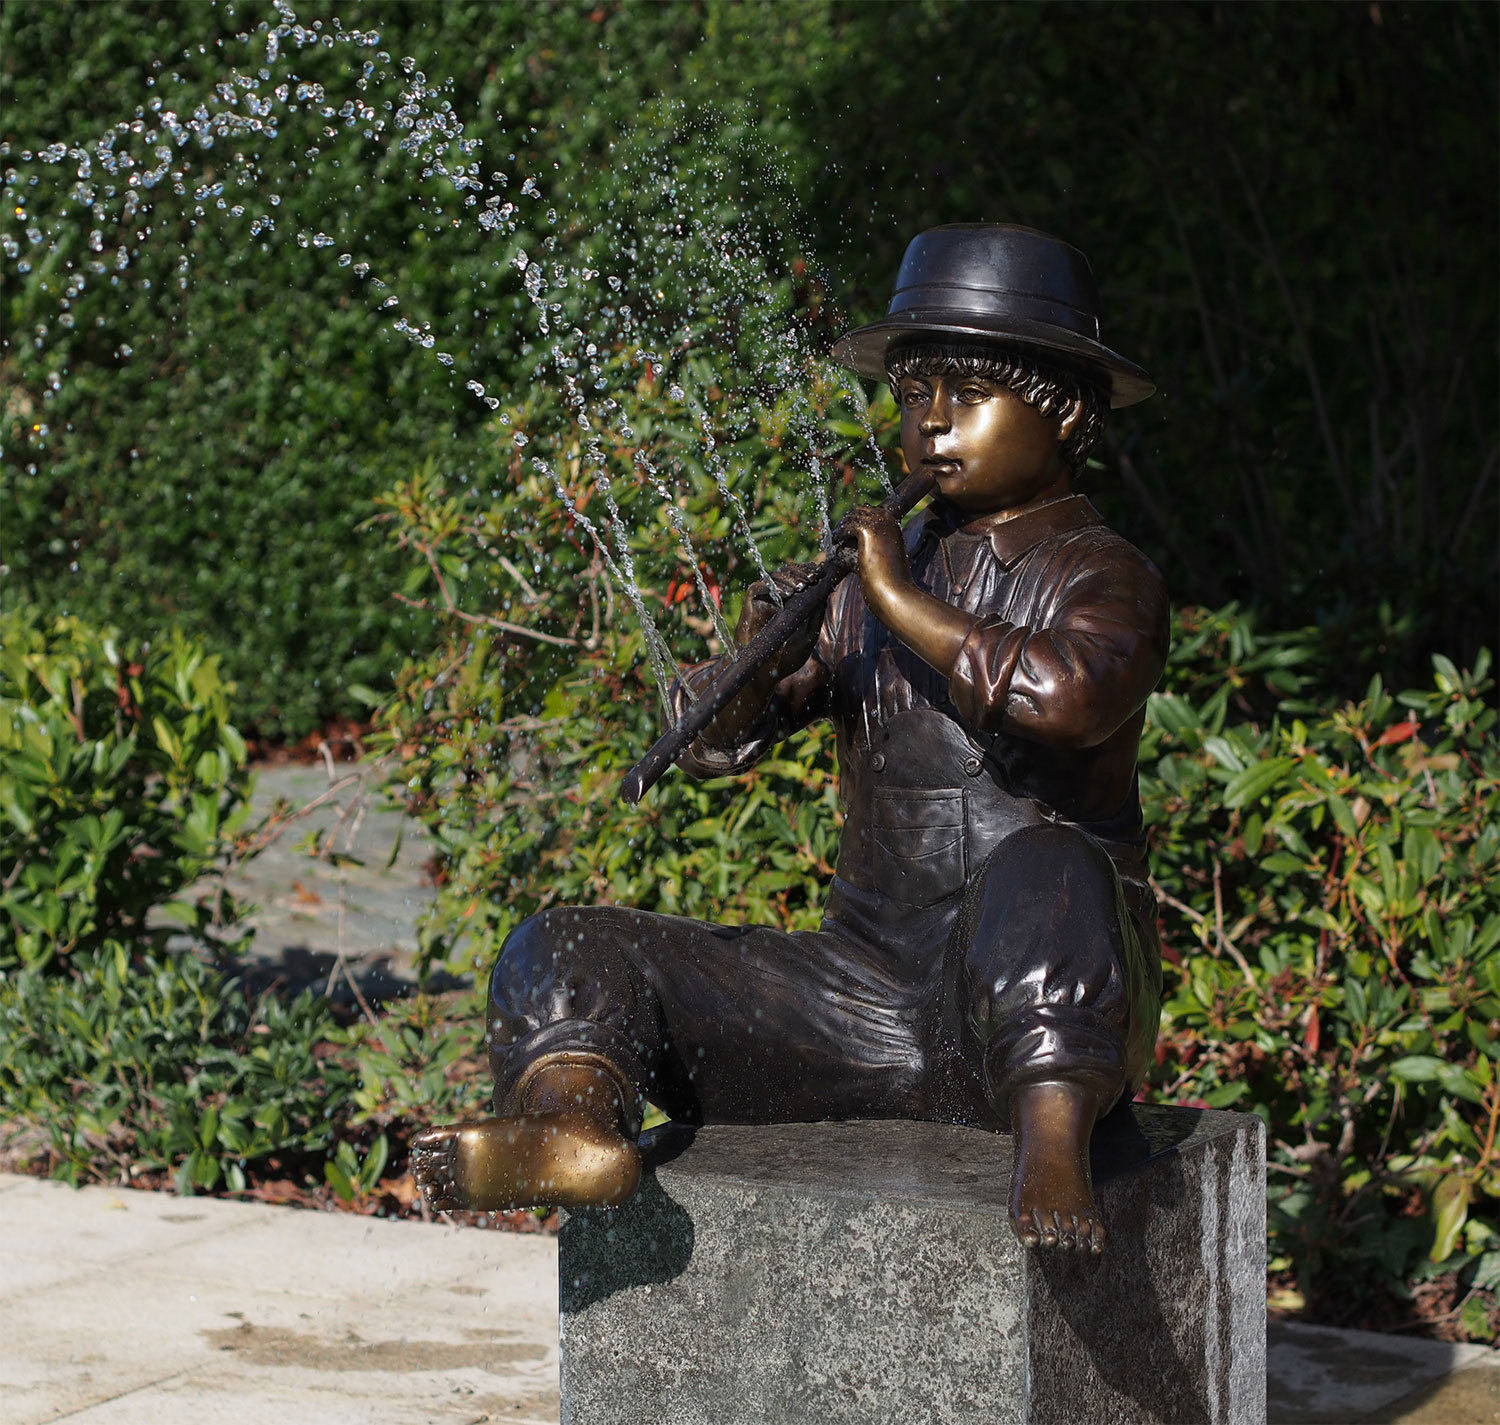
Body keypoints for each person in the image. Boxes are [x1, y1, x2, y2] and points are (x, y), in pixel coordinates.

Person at [412, 224, 1169, 1254]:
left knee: (1046, 863)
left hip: (1033, 1022)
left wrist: (899, 601)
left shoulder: (1100, 571)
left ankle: (1050, 1152)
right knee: (567, 941)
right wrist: (760, 661)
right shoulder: (868, 586)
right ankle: (573, 1123)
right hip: (864, 997)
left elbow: (1067, 696)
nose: (930, 427)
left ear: (1065, 413)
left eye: (966, 396)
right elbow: (724, 741)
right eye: (912, 399)